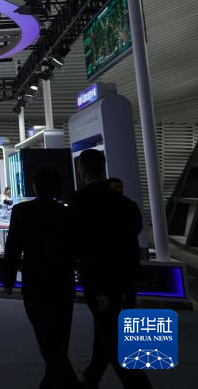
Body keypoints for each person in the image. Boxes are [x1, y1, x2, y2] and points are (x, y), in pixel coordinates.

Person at [71, 149, 150, 389]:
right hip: (124, 275)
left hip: (97, 276)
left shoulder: (79, 200)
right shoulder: (126, 203)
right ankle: (92, 376)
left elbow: (74, 238)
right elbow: (135, 231)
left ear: (82, 169)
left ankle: (139, 385)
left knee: (109, 331)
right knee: (105, 325)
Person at [3, 167, 80, 389]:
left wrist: (8, 278)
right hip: (62, 280)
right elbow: (76, 248)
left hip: (35, 279)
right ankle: (59, 380)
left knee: (43, 332)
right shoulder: (66, 213)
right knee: (60, 333)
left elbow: (13, 247)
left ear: (35, 186)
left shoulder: (22, 211)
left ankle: (60, 381)